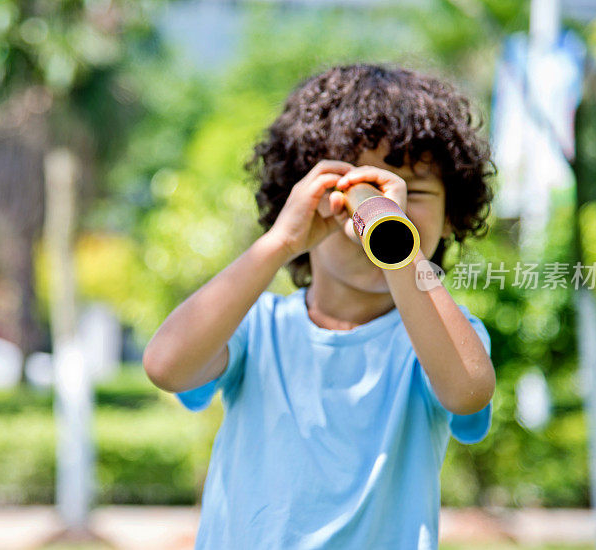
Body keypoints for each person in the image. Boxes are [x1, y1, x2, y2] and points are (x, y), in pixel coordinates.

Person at [143, 62, 497, 549]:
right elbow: (166, 365)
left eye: (413, 191)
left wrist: (395, 243)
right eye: (349, 191)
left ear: (453, 216)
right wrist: (279, 243)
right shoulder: (257, 328)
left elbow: (468, 391)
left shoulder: (436, 338)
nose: (386, 205)